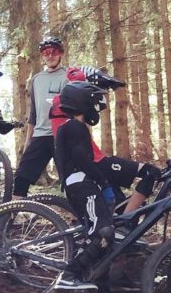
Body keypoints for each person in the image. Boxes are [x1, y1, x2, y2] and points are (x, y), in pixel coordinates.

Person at [51, 82, 143, 293]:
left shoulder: (74, 127)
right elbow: (82, 159)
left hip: (85, 186)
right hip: (82, 186)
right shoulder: (73, 127)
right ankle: (69, 275)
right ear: (81, 102)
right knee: (104, 234)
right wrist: (104, 182)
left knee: (103, 246)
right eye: (93, 102)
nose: (96, 107)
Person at [11, 36, 118, 198]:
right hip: (41, 135)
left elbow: (80, 107)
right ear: (42, 56)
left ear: (61, 53)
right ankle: (14, 212)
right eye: (45, 52)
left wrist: (83, 137)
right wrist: (28, 142)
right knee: (21, 178)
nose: (50, 56)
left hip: (65, 135)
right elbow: (34, 113)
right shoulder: (36, 79)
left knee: (73, 180)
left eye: (54, 51)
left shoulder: (70, 76)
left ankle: (80, 212)